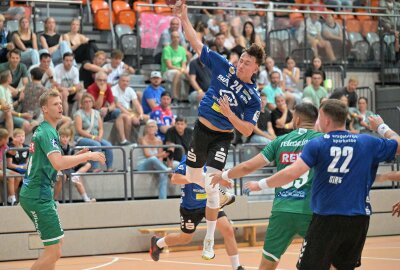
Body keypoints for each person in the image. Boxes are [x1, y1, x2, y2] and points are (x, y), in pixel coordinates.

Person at [242, 99, 400, 269]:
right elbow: (398, 145)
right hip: (359, 219)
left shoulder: (318, 143)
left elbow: (291, 172)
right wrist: (381, 127)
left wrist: (261, 184)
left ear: (326, 120)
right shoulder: (368, 142)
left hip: (327, 217)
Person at [174, 1, 264, 260]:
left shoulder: (252, 97)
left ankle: (210, 242)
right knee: (195, 178)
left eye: (247, 63)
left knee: (213, 180)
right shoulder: (224, 65)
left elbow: (247, 129)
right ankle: (221, 199)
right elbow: (196, 42)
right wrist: (184, 18)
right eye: (242, 59)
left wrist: (229, 114)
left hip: (223, 137)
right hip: (201, 129)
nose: (242, 64)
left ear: (256, 69)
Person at [212, 103, 321, 270]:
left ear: (296, 119)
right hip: (311, 212)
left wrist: (224, 175)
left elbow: (248, 167)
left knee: (266, 266)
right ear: (316, 120)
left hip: (282, 211)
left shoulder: (280, 141)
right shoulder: (322, 141)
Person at [19, 90, 105, 270]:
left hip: (39, 193)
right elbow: (58, 163)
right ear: (44, 109)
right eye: (55, 104)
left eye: (60, 103)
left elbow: (54, 164)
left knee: (55, 246)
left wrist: (78, 156)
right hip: (38, 195)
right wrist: (87, 155)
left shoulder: (48, 131)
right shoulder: (47, 133)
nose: (60, 106)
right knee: (54, 251)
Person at [150, 156, 245, 270]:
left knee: (228, 230)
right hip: (190, 207)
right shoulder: (190, 159)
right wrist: (195, 178)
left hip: (210, 203)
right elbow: (175, 179)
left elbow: (218, 177)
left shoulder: (214, 160)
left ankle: (237, 267)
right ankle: (158, 243)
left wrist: (224, 180)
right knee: (185, 238)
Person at [87, 71, 130, 146]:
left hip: (103, 111)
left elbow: (113, 104)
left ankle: (123, 140)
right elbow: (97, 106)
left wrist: (107, 109)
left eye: (104, 80)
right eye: (100, 80)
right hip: (92, 113)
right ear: (95, 80)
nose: (102, 82)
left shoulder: (108, 87)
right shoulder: (91, 88)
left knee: (117, 112)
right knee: (99, 112)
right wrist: (102, 92)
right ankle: (99, 138)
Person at [54, 126, 96, 203]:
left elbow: (74, 158)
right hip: (60, 168)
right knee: (63, 177)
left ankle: (86, 198)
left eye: (67, 137)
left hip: (69, 167)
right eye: (63, 137)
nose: (65, 139)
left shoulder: (71, 147)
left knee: (88, 164)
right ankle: (54, 199)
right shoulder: (56, 148)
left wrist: (81, 156)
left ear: (70, 137)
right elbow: (62, 160)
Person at [74, 93, 114, 172]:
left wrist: (100, 136)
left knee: (108, 145)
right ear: (82, 103)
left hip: (95, 137)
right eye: (86, 102)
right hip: (82, 138)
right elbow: (79, 130)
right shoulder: (78, 114)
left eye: (90, 101)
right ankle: (95, 168)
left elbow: (101, 128)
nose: (88, 103)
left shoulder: (96, 113)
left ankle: (109, 167)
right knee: (96, 144)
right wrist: (92, 137)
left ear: (92, 102)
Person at [137, 119, 171, 199]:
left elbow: (160, 158)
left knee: (163, 173)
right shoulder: (142, 139)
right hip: (143, 164)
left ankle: (163, 200)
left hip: (155, 164)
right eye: (149, 127)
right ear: (146, 129)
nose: (151, 128)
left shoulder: (159, 141)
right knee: (153, 159)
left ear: (156, 129)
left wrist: (160, 162)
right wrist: (160, 155)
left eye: (153, 127)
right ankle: (168, 171)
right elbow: (147, 155)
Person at [111, 73, 148, 141]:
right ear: (119, 81)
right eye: (123, 81)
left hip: (129, 111)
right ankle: (128, 140)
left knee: (147, 118)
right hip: (119, 112)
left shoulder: (130, 90)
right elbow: (118, 105)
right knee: (129, 118)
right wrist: (132, 116)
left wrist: (141, 114)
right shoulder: (113, 90)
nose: (125, 83)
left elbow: (137, 104)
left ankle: (144, 140)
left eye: (127, 81)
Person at [161, 30, 188, 101]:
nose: (176, 39)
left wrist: (183, 69)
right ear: (171, 38)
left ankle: (185, 97)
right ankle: (174, 95)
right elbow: (169, 65)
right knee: (178, 73)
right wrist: (181, 69)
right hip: (167, 71)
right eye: (174, 37)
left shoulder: (182, 49)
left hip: (179, 70)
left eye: (177, 37)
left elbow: (184, 64)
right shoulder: (167, 49)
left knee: (189, 74)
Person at [54, 52, 82, 116]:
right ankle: (65, 116)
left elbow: (77, 86)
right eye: (67, 60)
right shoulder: (57, 69)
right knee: (64, 93)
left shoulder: (75, 70)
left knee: (80, 95)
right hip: (60, 93)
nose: (69, 63)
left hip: (71, 91)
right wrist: (69, 89)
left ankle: (79, 116)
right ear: (63, 61)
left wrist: (70, 89)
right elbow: (57, 86)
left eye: (71, 61)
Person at [0, 128, 20, 206]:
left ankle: (10, 197)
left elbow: (12, 153)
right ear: (3, 139)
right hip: (1, 169)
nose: (9, 139)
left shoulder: (4, 145)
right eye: (7, 138)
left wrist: (16, 145)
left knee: (18, 176)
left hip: (2, 168)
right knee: (11, 177)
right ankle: (12, 199)